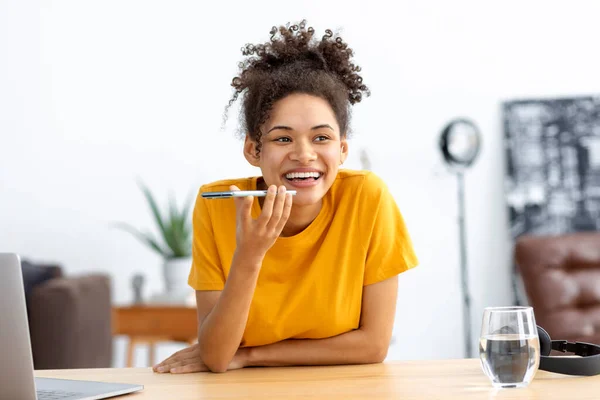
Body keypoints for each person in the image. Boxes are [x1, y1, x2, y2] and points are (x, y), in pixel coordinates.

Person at [153, 20, 418, 374]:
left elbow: (373, 345)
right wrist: (249, 255)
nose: (304, 154)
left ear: (342, 150)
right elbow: (216, 356)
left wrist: (251, 355)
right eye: (282, 139)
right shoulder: (218, 205)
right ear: (253, 149)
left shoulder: (368, 199)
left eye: (321, 138)